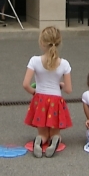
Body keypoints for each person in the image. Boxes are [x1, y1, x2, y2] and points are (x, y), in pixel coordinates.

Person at [22, 26, 72, 158]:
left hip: (40, 100)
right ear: (59, 42)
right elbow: (68, 89)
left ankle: (39, 141)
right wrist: (60, 84)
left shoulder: (34, 61)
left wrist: (34, 92)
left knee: (42, 133)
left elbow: (25, 84)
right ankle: (55, 140)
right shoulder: (64, 64)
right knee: (55, 133)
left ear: (41, 43)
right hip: (55, 101)